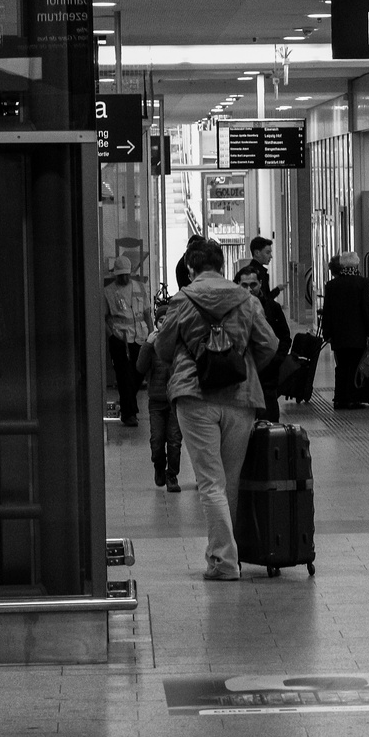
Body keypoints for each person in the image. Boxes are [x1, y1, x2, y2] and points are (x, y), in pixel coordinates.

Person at [153, 239, 279, 580]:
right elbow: (269, 344)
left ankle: (224, 561)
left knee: (210, 482)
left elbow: (163, 350)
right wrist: (244, 366)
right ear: (221, 265)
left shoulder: (182, 300)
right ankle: (221, 554)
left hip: (194, 396)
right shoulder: (247, 299)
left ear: (191, 269)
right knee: (230, 481)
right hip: (240, 398)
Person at [134, 296, 182, 492]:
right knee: (156, 440)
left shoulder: (179, 343)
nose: (165, 324)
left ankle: (172, 475)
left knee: (174, 441)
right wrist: (147, 344)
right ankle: (158, 466)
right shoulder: (152, 344)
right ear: (157, 322)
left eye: (168, 320)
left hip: (175, 401)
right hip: (156, 401)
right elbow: (140, 367)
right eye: (162, 321)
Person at [236, 261, 291, 422]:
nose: (249, 289)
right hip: (242, 374)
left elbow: (285, 336)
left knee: (269, 418)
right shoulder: (232, 309)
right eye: (244, 285)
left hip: (268, 373)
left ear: (260, 284)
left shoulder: (272, 307)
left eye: (253, 284)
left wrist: (277, 360)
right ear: (237, 285)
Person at [322, 252, 369, 410]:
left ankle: (340, 398)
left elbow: (327, 311)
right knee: (354, 365)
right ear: (356, 265)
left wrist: (328, 332)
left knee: (341, 366)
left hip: (339, 334)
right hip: (357, 333)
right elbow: (367, 309)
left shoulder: (332, 285)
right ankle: (352, 398)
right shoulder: (362, 283)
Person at [104, 255, 150, 427]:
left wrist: (152, 333)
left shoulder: (139, 287)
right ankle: (129, 413)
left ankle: (127, 407)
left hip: (139, 336)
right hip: (120, 338)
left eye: (126, 274)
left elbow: (146, 311)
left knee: (138, 373)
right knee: (124, 377)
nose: (124, 278)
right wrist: (111, 336)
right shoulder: (108, 292)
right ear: (116, 274)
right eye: (120, 275)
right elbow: (103, 317)